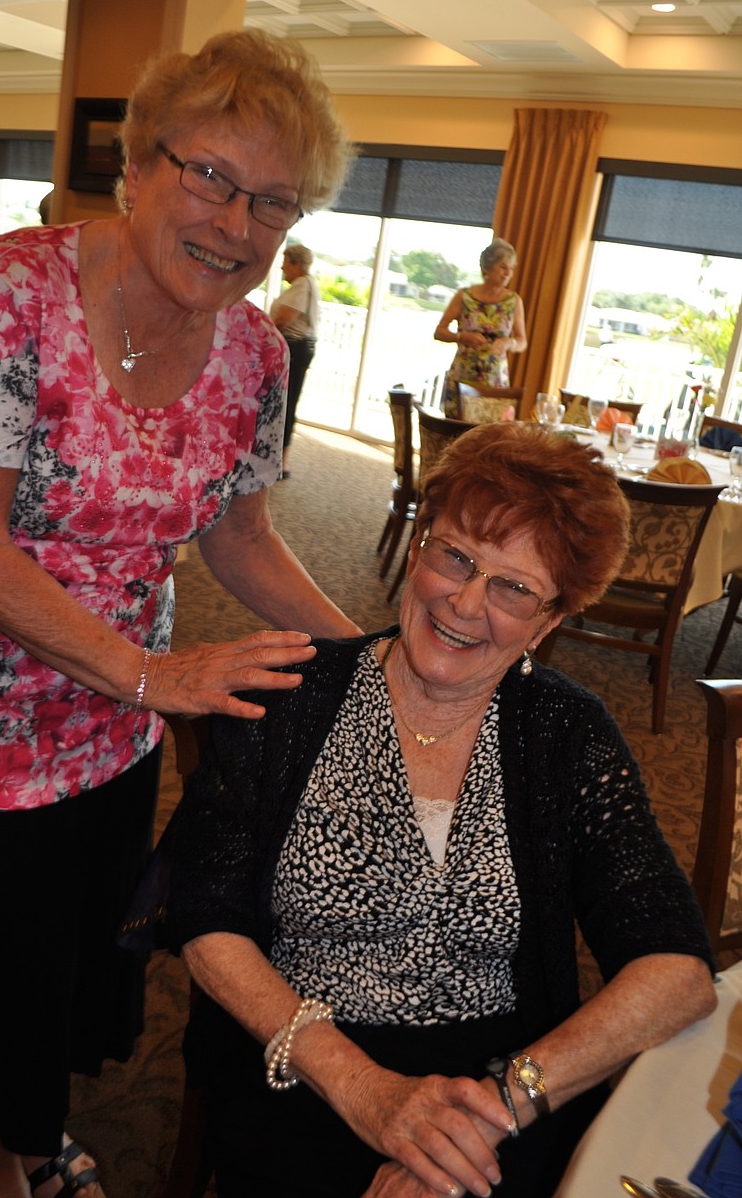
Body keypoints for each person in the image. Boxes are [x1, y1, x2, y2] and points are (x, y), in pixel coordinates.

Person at [0, 30, 360, 1198]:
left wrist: (379, 661)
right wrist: (150, 674)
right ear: (137, 163)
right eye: (208, 174)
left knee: (55, 955)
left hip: (113, 725)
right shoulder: (15, 287)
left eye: (272, 204)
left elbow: (238, 534)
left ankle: (16, 1128)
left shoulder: (255, 353)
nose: (234, 222)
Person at [161, 422, 716, 1198]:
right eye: (456, 556)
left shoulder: (567, 733)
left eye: (515, 589)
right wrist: (365, 1090)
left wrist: (492, 1111)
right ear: (419, 545)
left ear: (550, 621)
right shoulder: (289, 697)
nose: (465, 601)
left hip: (500, 1093)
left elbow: (678, 972)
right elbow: (201, 915)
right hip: (308, 1064)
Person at [435, 238, 526, 411]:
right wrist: (461, 337)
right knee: (456, 432)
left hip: (495, 380)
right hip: (462, 375)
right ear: (487, 268)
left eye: (511, 268)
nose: (508, 273)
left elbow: (522, 341)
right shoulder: (464, 296)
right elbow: (439, 332)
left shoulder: (514, 301)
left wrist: (509, 342)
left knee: (489, 434)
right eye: (503, 267)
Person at [269, 241, 320, 477]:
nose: (282, 269)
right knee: (285, 402)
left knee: (285, 403)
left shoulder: (302, 285)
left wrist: (261, 326)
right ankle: (277, 460)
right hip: (298, 347)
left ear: (296, 264)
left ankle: (280, 463)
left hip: (295, 348)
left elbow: (285, 317)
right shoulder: (306, 284)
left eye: (285, 264)